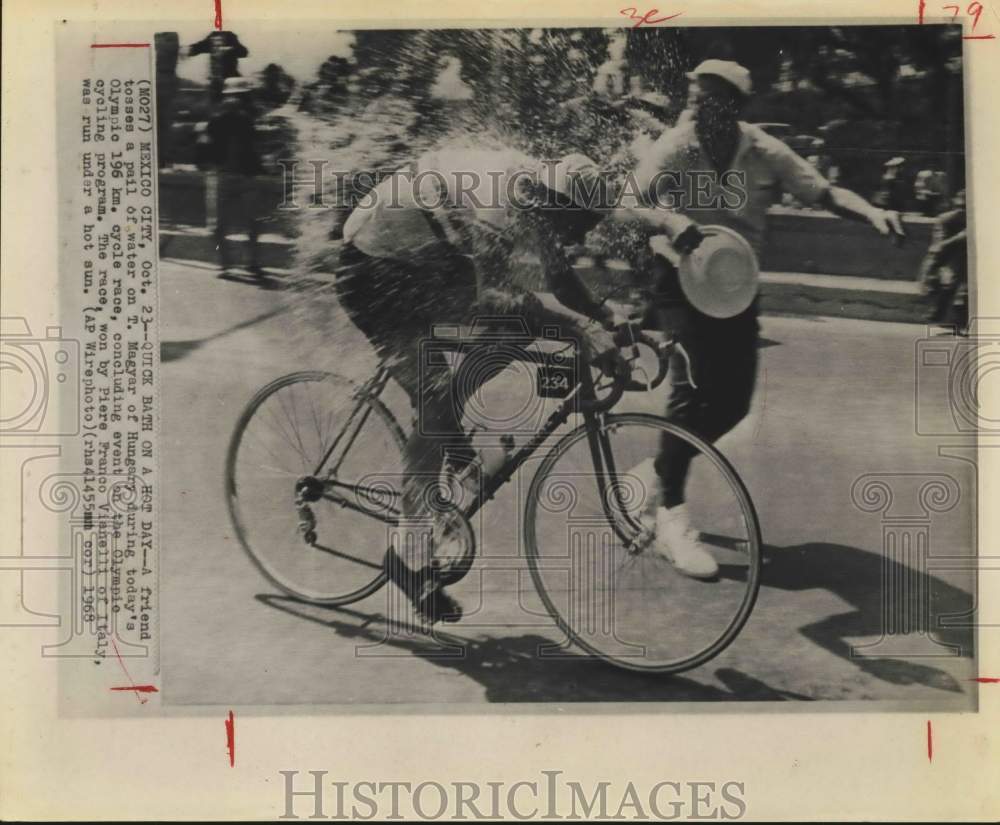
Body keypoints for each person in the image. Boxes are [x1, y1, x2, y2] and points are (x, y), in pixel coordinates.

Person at [336, 146, 703, 622]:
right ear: (555, 204)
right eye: (580, 224)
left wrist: (609, 318)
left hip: (422, 260)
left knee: (521, 330)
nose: (585, 234)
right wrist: (580, 329)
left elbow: (560, 281)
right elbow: (494, 295)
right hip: (372, 271)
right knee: (435, 393)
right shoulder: (497, 203)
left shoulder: (542, 196)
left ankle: (450, 438)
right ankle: (407, 554)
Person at [633, 59, 904, 579]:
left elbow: (822, 193)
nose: (693, 103)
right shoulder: (676, 144)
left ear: (733, 106)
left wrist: (871, 211)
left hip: (735, 285)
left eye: (707, 96)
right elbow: (630, 196)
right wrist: (672, 219)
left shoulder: (763, 150)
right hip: (678, 276)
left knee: (733, 403)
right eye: (692, 93)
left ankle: (655, 473)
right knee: (692, 388)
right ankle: (671, 515)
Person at [206, 77, 265, 277]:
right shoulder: (218, 118)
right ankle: (225, 263)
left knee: (253, 222)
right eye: (234, 97)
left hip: (245, 176)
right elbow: (209, 138)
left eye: (240, 97)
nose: (237, 100)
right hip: (222, 175)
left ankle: (252, 262)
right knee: (217, 225)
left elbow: (254, 141)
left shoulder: (248, 119)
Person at [920, 189, 967, 331]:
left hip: (958, 254)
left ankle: (942, 315)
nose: (961, 212)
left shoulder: (944, 218)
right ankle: (947, 316)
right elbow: (939, 243)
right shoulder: (946, 219)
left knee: (955, 285)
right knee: (952, 284)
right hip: (955, 254)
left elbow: (939, 242)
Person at [186, 30, 249, 103]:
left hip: (230, 76)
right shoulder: (213, 36)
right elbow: (200, 47)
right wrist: (189, 49)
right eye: (215, 43)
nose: (217, 46)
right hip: (216, 79)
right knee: (215, 100)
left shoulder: (230, 37)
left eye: (220, 42)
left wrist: (230, 49)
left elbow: (244, 52)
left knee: (240, 99)